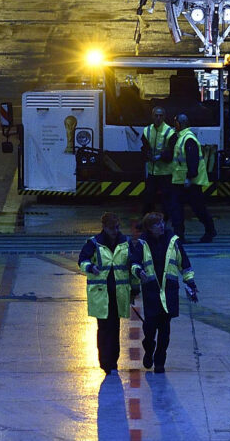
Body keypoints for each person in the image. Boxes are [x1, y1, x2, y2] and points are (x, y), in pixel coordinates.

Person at [131, 211, 197, 372]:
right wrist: (139, 272)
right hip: (152, 292)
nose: (161, 226)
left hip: (169, 291)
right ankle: (148, 349)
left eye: (162, 223)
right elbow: (134, 263)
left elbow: (185, 264)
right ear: (149, 228)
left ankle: (160, 361)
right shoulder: (142, 243)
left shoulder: (173, 241)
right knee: (149, 328)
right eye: (156, 224)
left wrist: (191, 284)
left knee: (165, 330)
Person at [78, 211, 133, 372]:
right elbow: (82, 260)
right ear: (104, 227)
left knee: (115, 328)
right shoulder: (94, 243)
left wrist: (134, 289)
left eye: (117, 227)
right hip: (101, 294)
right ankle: (104, 361)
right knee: (103, 329)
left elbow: (132, 263)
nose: (115, 231)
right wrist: (90, 267)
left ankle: (113, 362)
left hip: (118, 294)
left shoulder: (126, 243)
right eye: (111, 228)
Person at [166, 112, 216, 242]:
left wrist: (189, 177)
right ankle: (179, 235)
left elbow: (192, 160)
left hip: (190, 182)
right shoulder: (181, 137)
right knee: (176, 209)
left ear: (179, 124)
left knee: (198, 209)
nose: (173, 125)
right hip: (181, 181)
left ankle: (210, 231)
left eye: (175, 123)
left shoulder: (188, 138)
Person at [141, 106, 176, 211]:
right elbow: (144, 148)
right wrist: (148, 155)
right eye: (156, 115)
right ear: (152, 116)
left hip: (165, 173)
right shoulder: (147, 130)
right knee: (148, 199)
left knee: (166, 200)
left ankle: (164, 223)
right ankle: (147, 220)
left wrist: (161, 156)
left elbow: (173, 152)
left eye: (161, 116)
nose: (158, 118)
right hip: (152, 172)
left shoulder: (170, 132)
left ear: (164, 117)